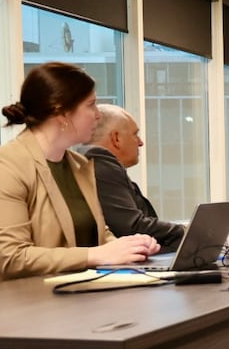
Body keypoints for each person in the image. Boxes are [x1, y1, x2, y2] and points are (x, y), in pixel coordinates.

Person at [0, 62, 159, 287]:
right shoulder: (1, 168)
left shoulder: (79, 165)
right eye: (91, 105)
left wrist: (131, 248)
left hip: (67, 295)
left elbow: (98, 234)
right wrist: (97, 255)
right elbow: (12, 258)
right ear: (62, 112)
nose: (97, 115)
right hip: (9, 305)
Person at [78, 104, 186, 251]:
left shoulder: (94, 164)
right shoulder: (101, 164)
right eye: (135, 134)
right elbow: (131, 226)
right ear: (116, 138)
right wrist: (187, 232)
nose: (140, 142)